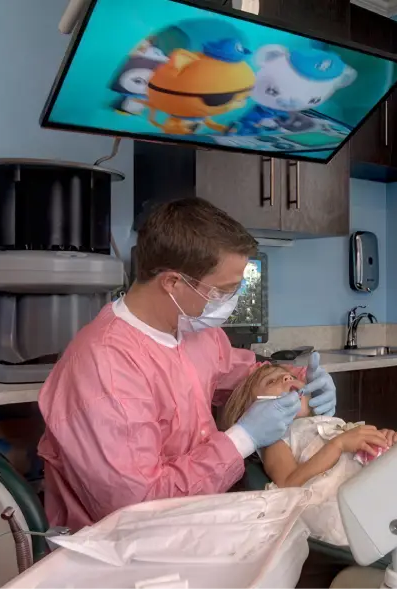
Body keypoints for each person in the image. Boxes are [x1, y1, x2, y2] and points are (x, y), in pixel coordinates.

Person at [38, 198, 337, 531]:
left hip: (197, 516)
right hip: (125, 546)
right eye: (224, 290)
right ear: (172, 282)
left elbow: (244, 377)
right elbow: (136, 508)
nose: (231, 301)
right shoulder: (105, 367)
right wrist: (242, 438)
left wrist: (299, 382)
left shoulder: (194, 330)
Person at [223, 362, 397, 546]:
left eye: (291, 377)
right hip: (346, 514)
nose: (286, 378)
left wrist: (382, 441)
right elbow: (288, 483)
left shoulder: (324, 422)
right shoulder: (274, 439)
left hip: (379, 495)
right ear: (253, 411)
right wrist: (338, 445)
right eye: (271, 381)